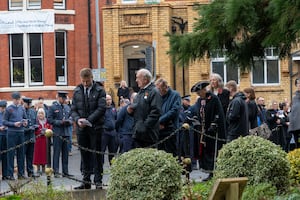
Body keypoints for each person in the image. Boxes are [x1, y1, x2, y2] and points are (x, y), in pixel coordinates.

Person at [71, 68, 106, 189]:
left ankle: (98, 181)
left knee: (97, 155)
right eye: (83, 81)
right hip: (82, 129)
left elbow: (101, 109)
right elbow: (73, 109)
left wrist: (89, 120)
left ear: (92, 78)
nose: (85, 84)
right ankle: (86, 181)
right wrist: (77, 120)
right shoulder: (77, 91)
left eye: (87, 81)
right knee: (84, 155)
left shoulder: (100, 90)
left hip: (96, 128)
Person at [188, 81, 226, 180]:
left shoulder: (213, 98)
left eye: (199, 92)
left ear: (204, 90)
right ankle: (209, 171)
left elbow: (218, 113)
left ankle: (215, 172)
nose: (198, 94)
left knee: (213, 151)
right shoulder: (200, 100)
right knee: (205, 151)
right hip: (203, 131)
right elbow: (197, 111)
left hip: (213, 131)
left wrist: (214, 123)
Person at [127, 68, 162, 148]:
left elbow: (156, 112)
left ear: (145, 79)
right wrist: (130, 111)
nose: (136, 80)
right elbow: (138, 109)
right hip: (138, 133)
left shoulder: (154, 92)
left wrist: (144, 126)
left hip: (149, 134)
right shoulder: (140, 93)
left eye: (138, 78)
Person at [47, 91, 73, 178]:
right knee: (57, 153)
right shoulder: (53, 107)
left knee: (66, 153)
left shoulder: (67, 107)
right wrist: (60, 122)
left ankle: (66, 171)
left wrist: (69, 121)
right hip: (58, 133)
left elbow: (71, 116)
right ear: (58, 98)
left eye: (65, 98)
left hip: (66, 133)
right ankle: (56, 171)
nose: (64, 100)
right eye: (63, 98)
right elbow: (50, 120)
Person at [3, 92, 28, 180]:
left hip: (21, 132)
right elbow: (4, 122)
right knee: (11, 153)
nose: (17, 101)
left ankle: (21, 173)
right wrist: (13, 124)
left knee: (21, 153)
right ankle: (10, 174)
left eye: (18, 99)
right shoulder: (9, 109)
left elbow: (25, 118)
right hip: (11, 133)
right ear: (13, 99)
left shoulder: (22, 108)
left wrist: (25, 122)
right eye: (16, 99)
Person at [155, 78, 181, 157]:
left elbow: (174, 111)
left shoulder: (175, 95)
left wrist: (160, 121)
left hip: (170, 129)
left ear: (165, 87)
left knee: (171, 153)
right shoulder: (158, 96)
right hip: (159, 130)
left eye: (159, 89)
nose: (158, 91)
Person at [23, 97, 39, 178]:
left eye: (30, 104)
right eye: (27, 104)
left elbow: (36, 123)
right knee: (22, 156)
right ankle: (22, 173)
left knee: (30, 156)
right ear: (24, 103)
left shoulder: (33, 112)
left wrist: (34, 127)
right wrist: (27, 128)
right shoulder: (21, 111)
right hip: (24, 137)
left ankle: (30, 171)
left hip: (31, 137)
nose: (28, 105)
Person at [33, 108, 51, 175]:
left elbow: (50, 128)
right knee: (38, 154)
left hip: (45, 140)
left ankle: (43, 168)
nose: (40, 115)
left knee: (44, 154)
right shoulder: (36, 121)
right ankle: (38, 169)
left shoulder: (47, 121)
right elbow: (34, 129)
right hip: (38, 140)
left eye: (42, 113)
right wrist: (39, 131)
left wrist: (46, 130)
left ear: (44, 114)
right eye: (39, 113)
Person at [101, 94, 118, 166]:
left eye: (110, 99)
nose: (109, 101)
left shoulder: (113, 109)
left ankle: (112, 165)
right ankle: (100, 165)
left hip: (112, 132)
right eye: (107, 99)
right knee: (102, 150)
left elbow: (116, 119)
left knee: (112, 150)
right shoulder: (102, 110)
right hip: (104, 132)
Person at [288, 78, 300, 149]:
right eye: (298, 83)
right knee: (297, 145)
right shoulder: (294, 98)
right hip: (296, 126)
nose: (299, 85)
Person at [0, 100, 8, 180]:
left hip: (6, 135)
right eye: (2, 108)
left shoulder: (7, 114)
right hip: (0, 135)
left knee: (5, 156)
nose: (3, 109)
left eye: (4, 108)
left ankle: (5, 174)